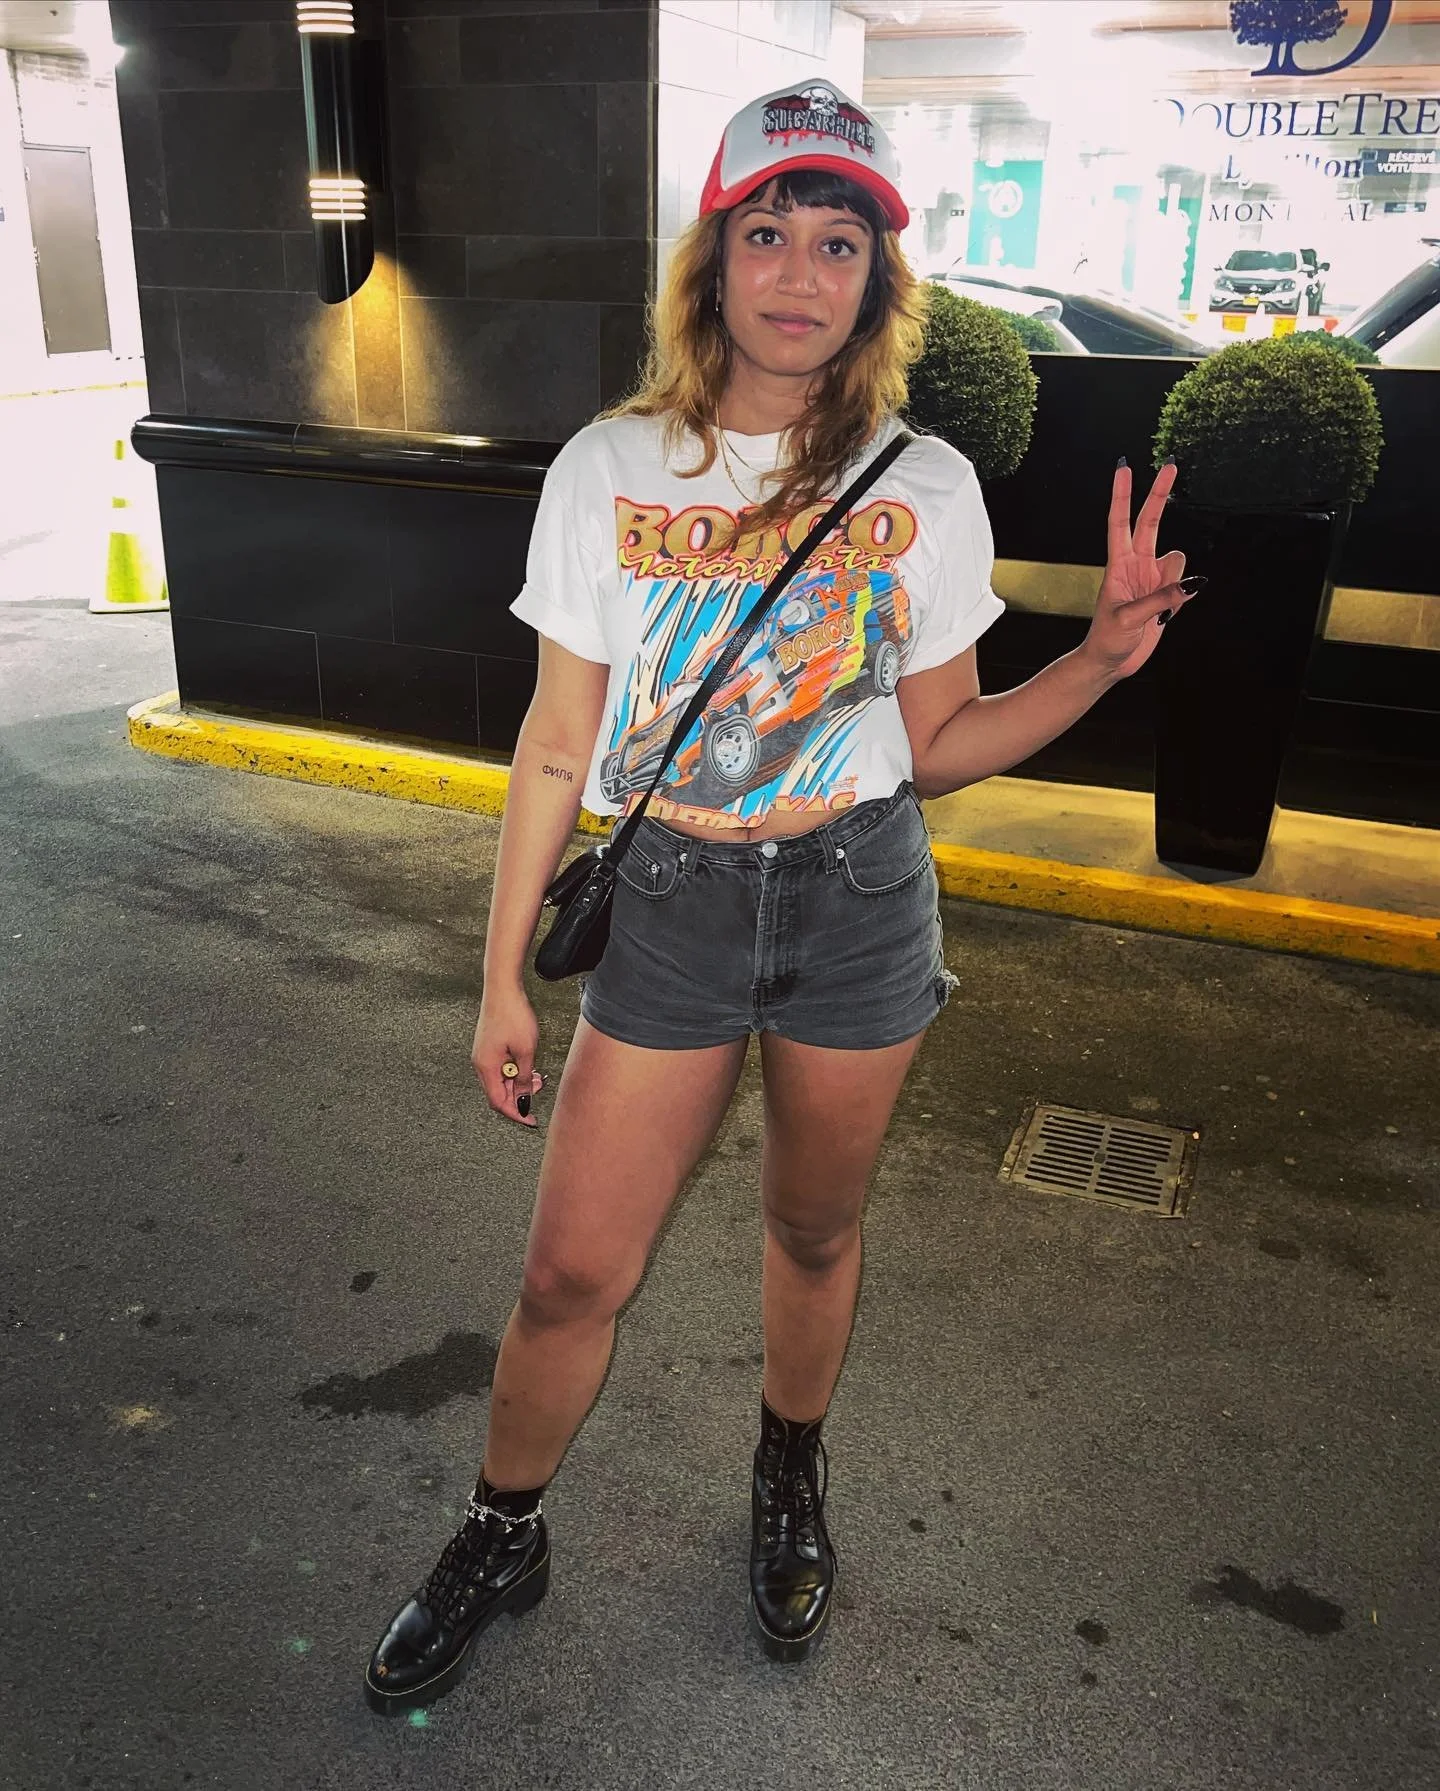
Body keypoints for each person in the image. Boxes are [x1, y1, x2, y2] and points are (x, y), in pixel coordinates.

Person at [364, 81, 1197, 1715]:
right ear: (715, 257)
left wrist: (1097, 659)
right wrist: (502, 978)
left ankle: (786, 1471)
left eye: (837, 243)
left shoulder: (928, 483)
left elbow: (941, 744)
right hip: (667, 896)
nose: (799, 274)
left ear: (878, 282)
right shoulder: (613, 466)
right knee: (567, 1273)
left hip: (858, 898)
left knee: (814, 1227)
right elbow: (555, 740)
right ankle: (498, 1525)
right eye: (768, 233)